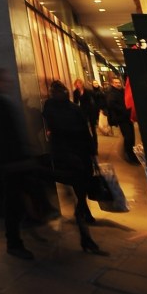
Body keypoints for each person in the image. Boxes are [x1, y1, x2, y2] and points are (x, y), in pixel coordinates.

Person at [0, 67, 49, 260]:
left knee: (19, 197)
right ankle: (14, 240)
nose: (8, 82)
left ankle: (27, 226)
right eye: (4, 79)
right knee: (13, 201)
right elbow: (3, 135)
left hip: (13, 159)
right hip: (11, 160)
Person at [42, 80, 102, 254]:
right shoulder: (66, 109)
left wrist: (91, 151)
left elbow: (82, 130)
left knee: (77, 189)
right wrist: (91, 151)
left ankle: (83, 220)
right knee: (77, 189)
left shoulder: (57, 108)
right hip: (71, 155)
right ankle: (84, 224)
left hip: (71, 154)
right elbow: (82, 130)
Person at [104, 76, 138, 163]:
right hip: (121, 118)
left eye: (119, 82)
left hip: (126, 116)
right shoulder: (111, 93)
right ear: (112, 84)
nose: (118, 84)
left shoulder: (121, 91)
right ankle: (129, 155)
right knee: (128, 137)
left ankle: (130, 153)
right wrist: (125, 110)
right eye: (116, 83)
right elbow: (112, 105)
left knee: (130, 136)